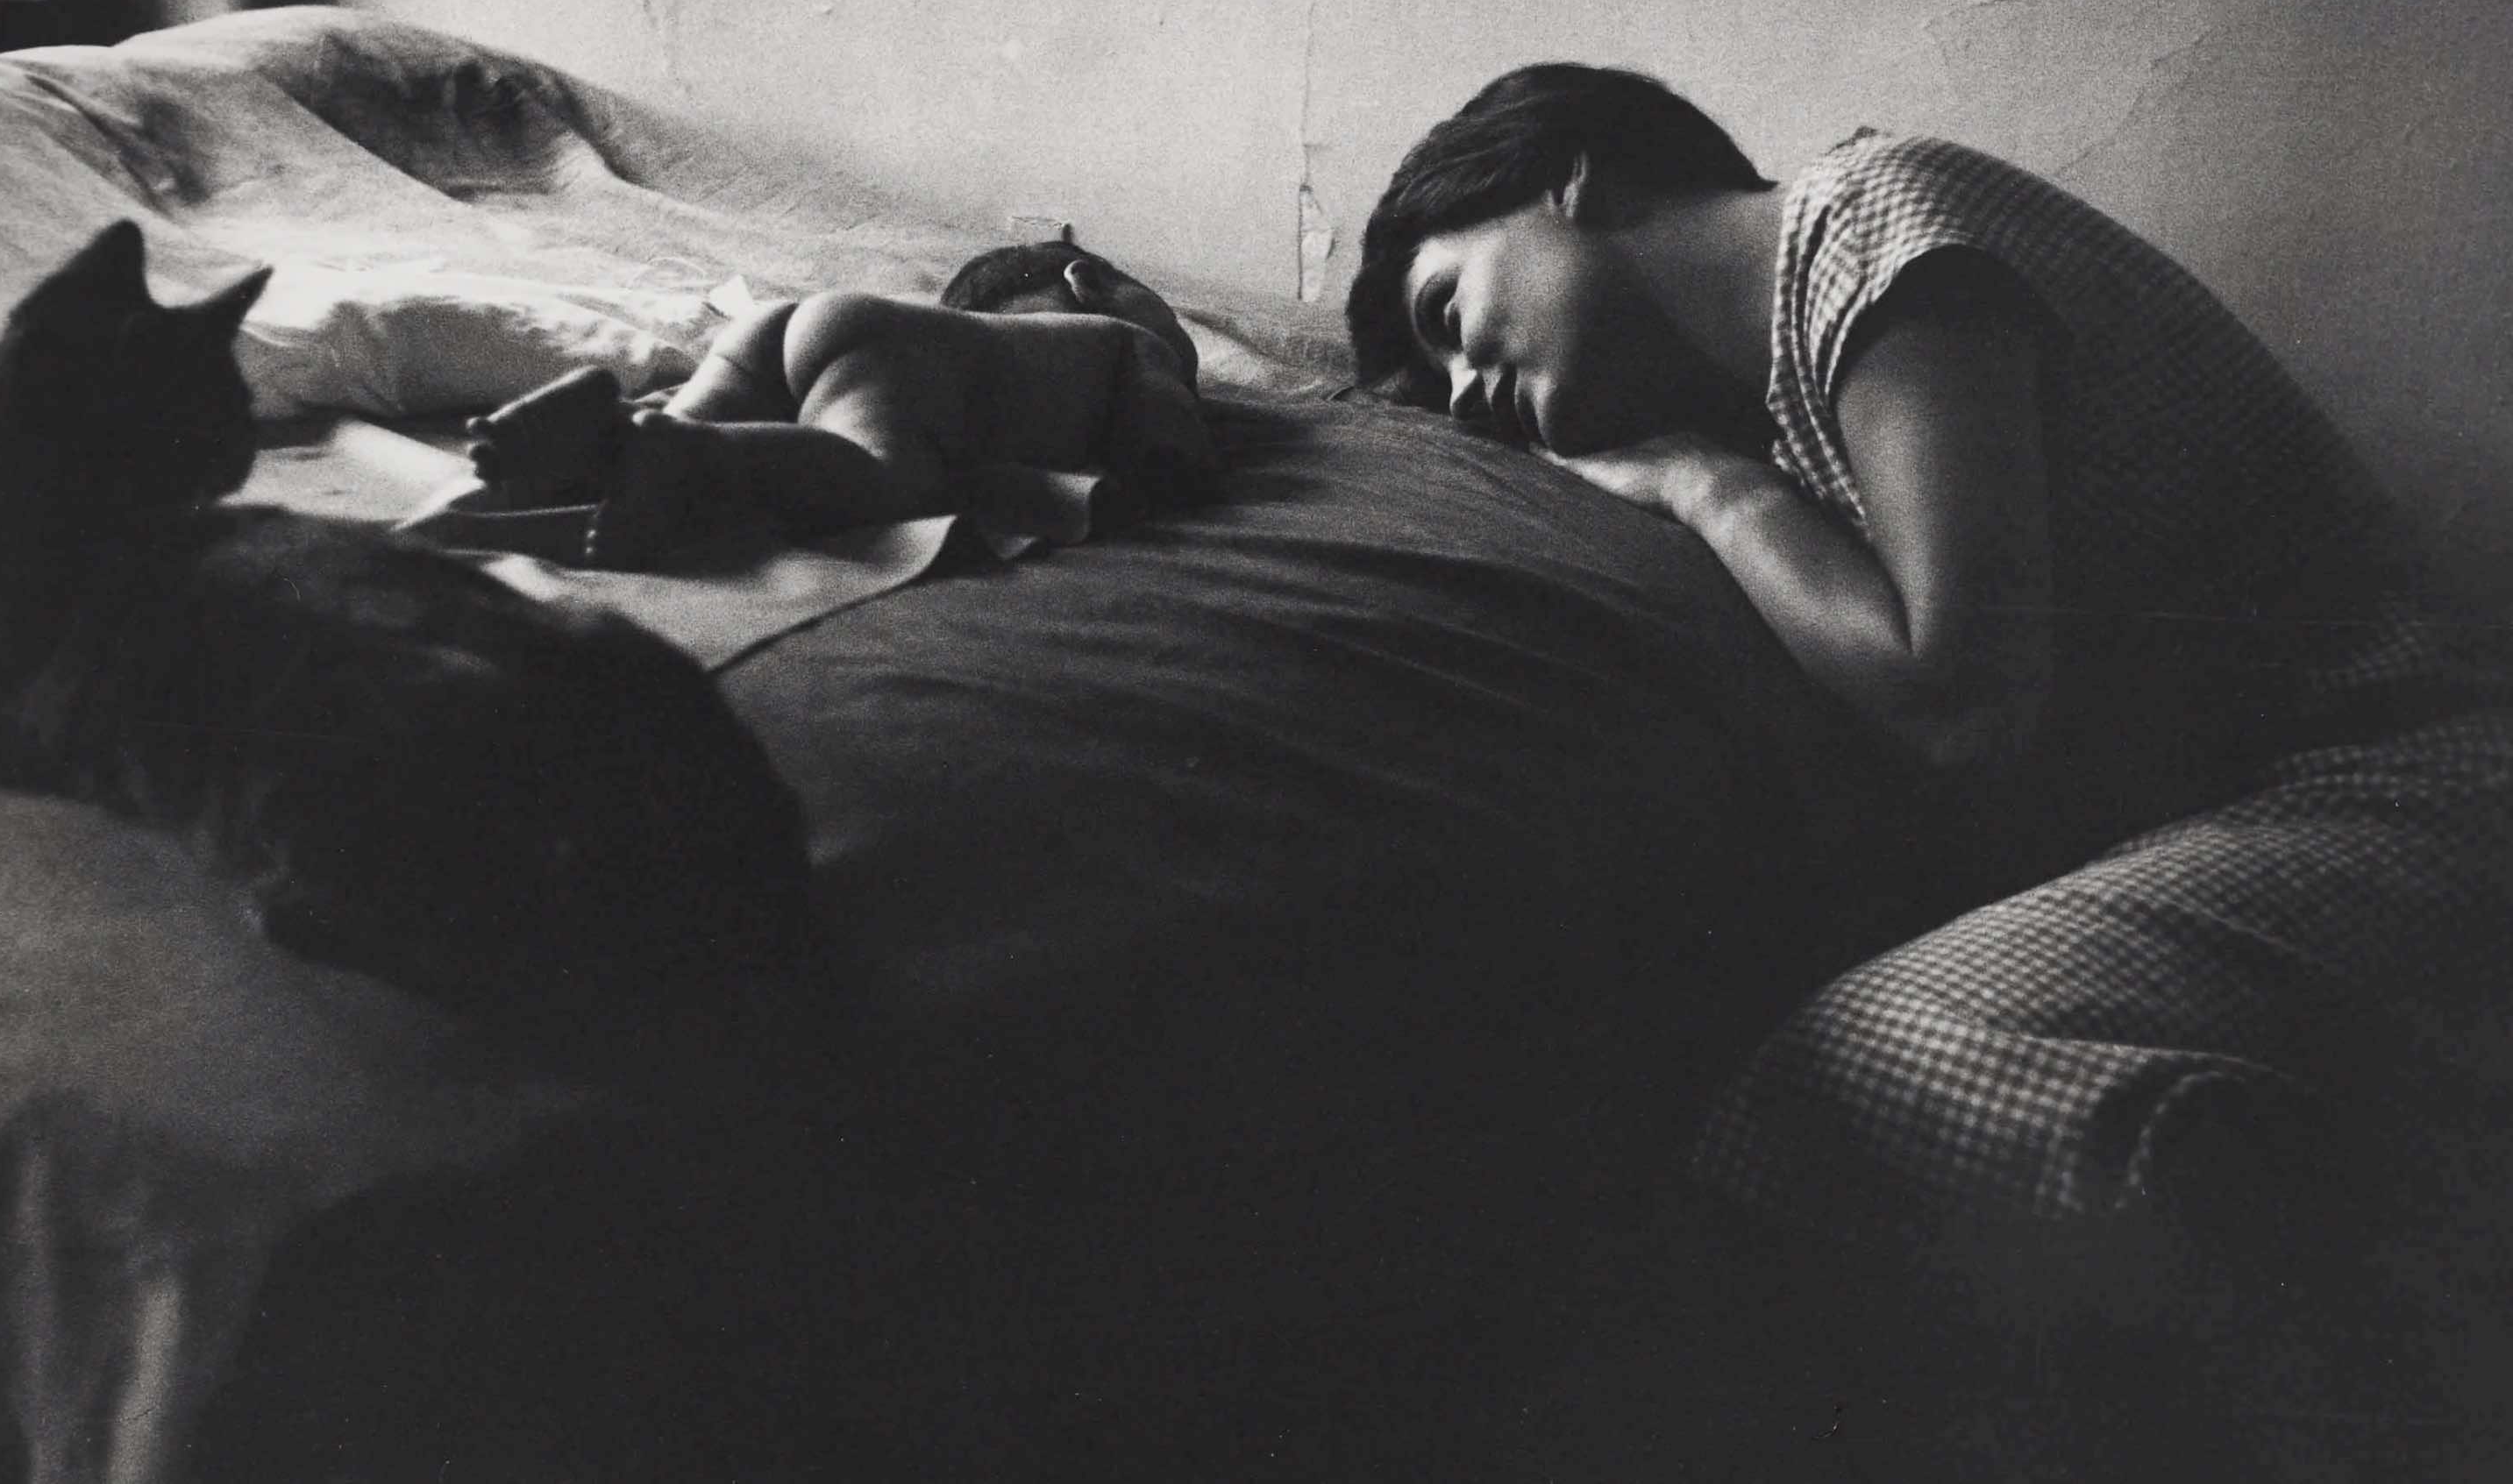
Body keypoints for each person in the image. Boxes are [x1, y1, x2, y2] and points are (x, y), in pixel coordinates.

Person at [1347, 62, 2513, 1239]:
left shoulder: (1870, 216)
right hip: (2275, 813)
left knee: (1862, 1075)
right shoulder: (1799, 384)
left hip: (2412, 781)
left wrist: (1707, 484)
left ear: (1571, 179)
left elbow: (1958, 701)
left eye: (1448, 316)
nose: (1467, 395)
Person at [466, 241, 1214, 567]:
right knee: (880, 473)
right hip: (870, 348)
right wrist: (1187, 466)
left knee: (680, 424)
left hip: (775, 327)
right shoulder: (1129, 340)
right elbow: (1170, 442)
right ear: (1089, 283)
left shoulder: (965, 340)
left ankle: (605, 433)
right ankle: (694, 456)